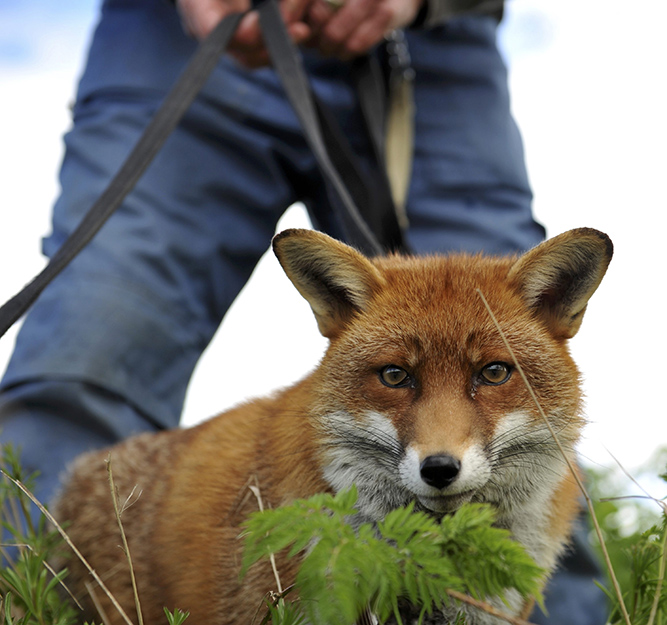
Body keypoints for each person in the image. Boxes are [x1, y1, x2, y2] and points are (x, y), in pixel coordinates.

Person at [0, 1, 606, 622]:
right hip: (180, 41)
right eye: (397, 376)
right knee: (81, 357)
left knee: (538, 467)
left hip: (430, 51)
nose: (441, 443)